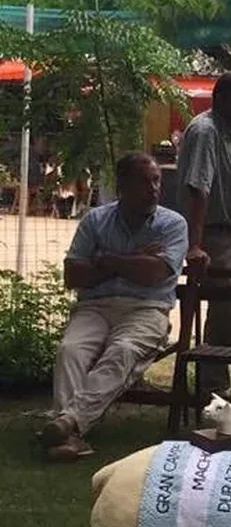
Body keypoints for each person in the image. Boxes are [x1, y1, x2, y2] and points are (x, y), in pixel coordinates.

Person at [39, 152, 188, 462]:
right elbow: (72, 275)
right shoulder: (96, 220)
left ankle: (68, 423)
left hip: (147, 309)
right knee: (71, 349)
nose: (153, 189)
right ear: (122, 186)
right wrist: (134, 258)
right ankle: (70, 431)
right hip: (95, 307)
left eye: (157, 180)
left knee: (122, 350)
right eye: (144, 182)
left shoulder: (172, 224)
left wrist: (106, 260)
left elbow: (154, 274)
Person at [175, 70, 231, 403]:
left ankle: (214, 388)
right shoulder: (205, 131)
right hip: (217, 235)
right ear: (221, 98)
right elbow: (199, 189)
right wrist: (194, 245)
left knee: (223, 309)